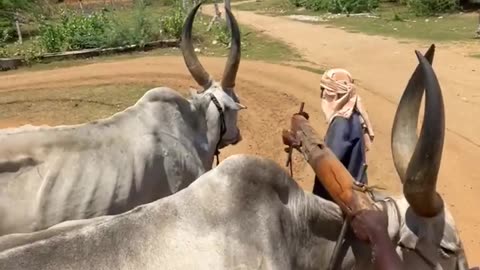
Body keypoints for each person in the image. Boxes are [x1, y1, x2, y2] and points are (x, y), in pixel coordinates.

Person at [313, 68, 375, 201]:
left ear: (332, 94)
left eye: (323, 90)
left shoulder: (341, 122)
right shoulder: (354, 115)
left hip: (340, 201)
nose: (321, 95)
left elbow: (328, 164)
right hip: (354, 191)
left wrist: (306, 147)